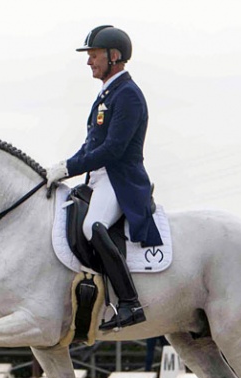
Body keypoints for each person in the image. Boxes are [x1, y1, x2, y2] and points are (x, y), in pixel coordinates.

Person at [45, 25, 162, 331]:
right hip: (98, 178)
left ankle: (129, 303)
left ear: (114, 56)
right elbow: (92, 143)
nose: (89, 62)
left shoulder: (129, 96)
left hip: (120, 179)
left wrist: (69, 167)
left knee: (91, 226)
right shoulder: (107, 94)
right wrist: (66, 165)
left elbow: (112, 149)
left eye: (93, 55)